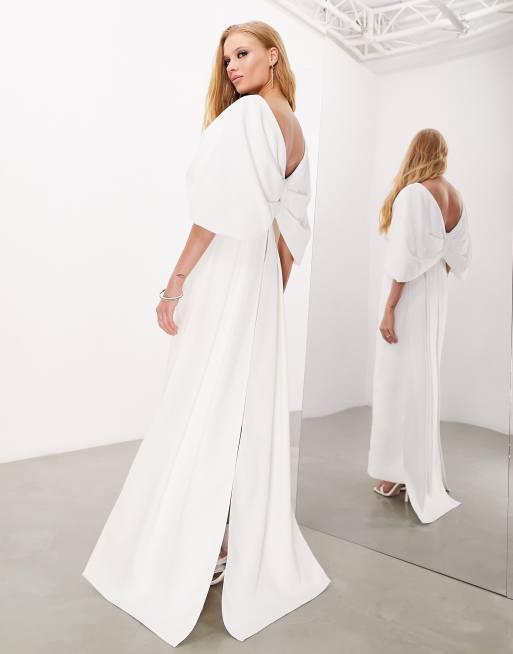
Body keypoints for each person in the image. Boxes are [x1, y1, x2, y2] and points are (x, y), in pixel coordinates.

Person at [82, 21, 330, 647]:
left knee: (200, 398)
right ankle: (225, 540)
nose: (232, 67)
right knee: (239, 408)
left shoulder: (249, 117)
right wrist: (272, 289)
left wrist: (175, 282)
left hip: (227, 273)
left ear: (274, 55)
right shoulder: (296, 131)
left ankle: (197, 546)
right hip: (259, 280)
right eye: (227, 60)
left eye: (243, 54)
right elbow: (292, 227)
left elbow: (213, 214)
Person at [367, 129, 472, 524]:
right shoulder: (455, 196)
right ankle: (417, 470)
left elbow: (404, 257)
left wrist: (390, 307)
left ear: (416, 152)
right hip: (435, 296)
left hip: (409, 297)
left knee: (397, 381)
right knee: (422, 380)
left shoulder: (414, 193)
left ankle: (396, 474)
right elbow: (458, 256)